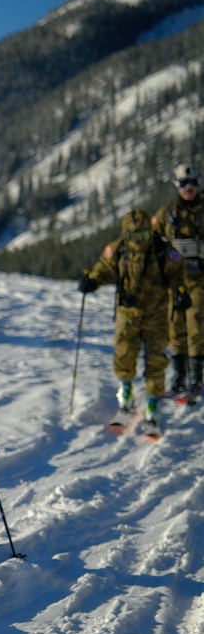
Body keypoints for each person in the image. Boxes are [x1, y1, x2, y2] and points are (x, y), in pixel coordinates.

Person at [79, 207, 187, 432]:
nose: (138, 241)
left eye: (143, 236)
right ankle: (125, 393)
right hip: (127, 314)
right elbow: (103, 270)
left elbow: (178, 273)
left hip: (156, 314)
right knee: (124, 353)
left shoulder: (163, 250)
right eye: (134, 237)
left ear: (150, 232)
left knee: (156, 359)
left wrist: (180, 291)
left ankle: (152, 403)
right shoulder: (117, 249)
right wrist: (92, 281)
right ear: (126, 235)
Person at [152, 163, 204, 396]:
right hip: (175, 280)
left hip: (200, 279)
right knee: (176, 328)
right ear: (177, 186)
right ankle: (179, 374)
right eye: (184, 184)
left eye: (193, 183)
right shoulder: (167, 213)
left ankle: (196, 376)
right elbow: (153, 240)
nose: (189, 188)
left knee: (196, 326)